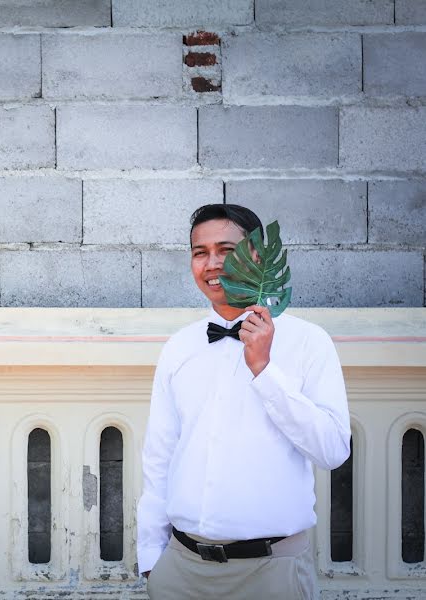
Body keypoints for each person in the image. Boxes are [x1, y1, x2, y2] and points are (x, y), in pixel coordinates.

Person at [137, 204, 350, 599]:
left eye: (226, 249)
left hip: (272, 573)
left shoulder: (309, 342)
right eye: (200, 252)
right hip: (181, 571)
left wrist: (264, 370)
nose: (212, 263)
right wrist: (151, 560)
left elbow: (332, 450)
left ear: (256, 255)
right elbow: (159, 459)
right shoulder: (179, 347)